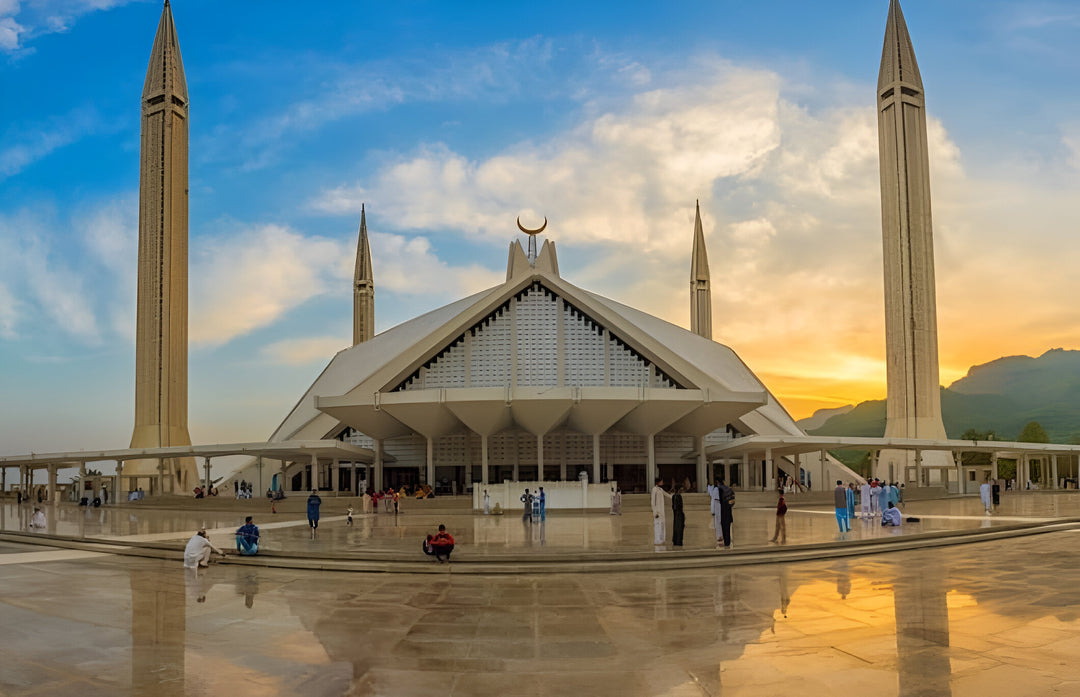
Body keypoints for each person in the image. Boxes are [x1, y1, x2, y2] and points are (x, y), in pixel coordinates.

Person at [717, 477, 735, 547]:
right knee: (728, 528)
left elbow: (719, 500)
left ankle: (726, 542)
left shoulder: (719, 489)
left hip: (723, 511)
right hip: (728, 510)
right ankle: (728, 542)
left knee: (724, 527)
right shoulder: (728, 489)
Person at [651, 477, 670, 546]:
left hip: (662, 510)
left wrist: (675, 496)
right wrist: (655, 512)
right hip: (657, 511)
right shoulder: (654, 490)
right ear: (658, 482)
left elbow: (667, 495)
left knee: (662, 525)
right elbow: (653, 502)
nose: (662, 482)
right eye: (661, 481)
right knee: (657, 525)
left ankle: (662, 539)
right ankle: (657, 540)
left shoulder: (660, 489)